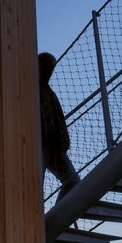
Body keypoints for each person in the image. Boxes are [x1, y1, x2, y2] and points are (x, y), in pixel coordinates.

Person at [39, 52, 81, 200]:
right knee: (35, 187)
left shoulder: (49, 93)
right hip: (38, 145)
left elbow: (58, 121)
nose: (49, 71)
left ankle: (56, 218)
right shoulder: (31, 89)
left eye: (51, 67)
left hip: (55, 147)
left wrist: (64, 143)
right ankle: (40, 221)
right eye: (47, 66)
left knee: (74, 183)